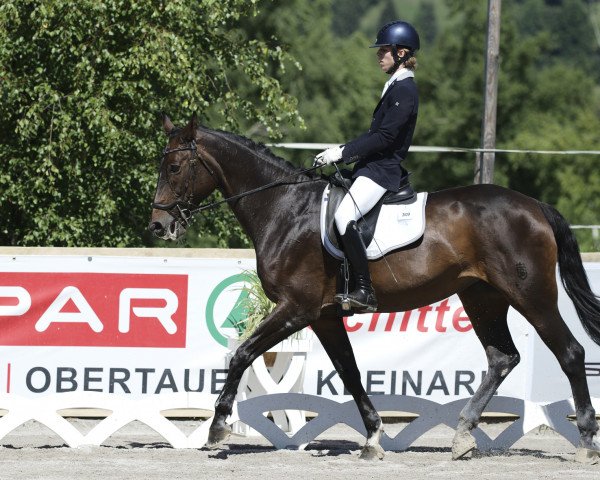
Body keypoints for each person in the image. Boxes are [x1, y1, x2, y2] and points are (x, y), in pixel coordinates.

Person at [314, 20, 420, 313]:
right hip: (370, 166)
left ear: (402, 53)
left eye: (384, 50)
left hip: (382, 170)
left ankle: (364, 289)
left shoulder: (405, 90)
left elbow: (384, 137)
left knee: (345, 215)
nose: (379, 55)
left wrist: (342, 152)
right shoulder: (394, 86)